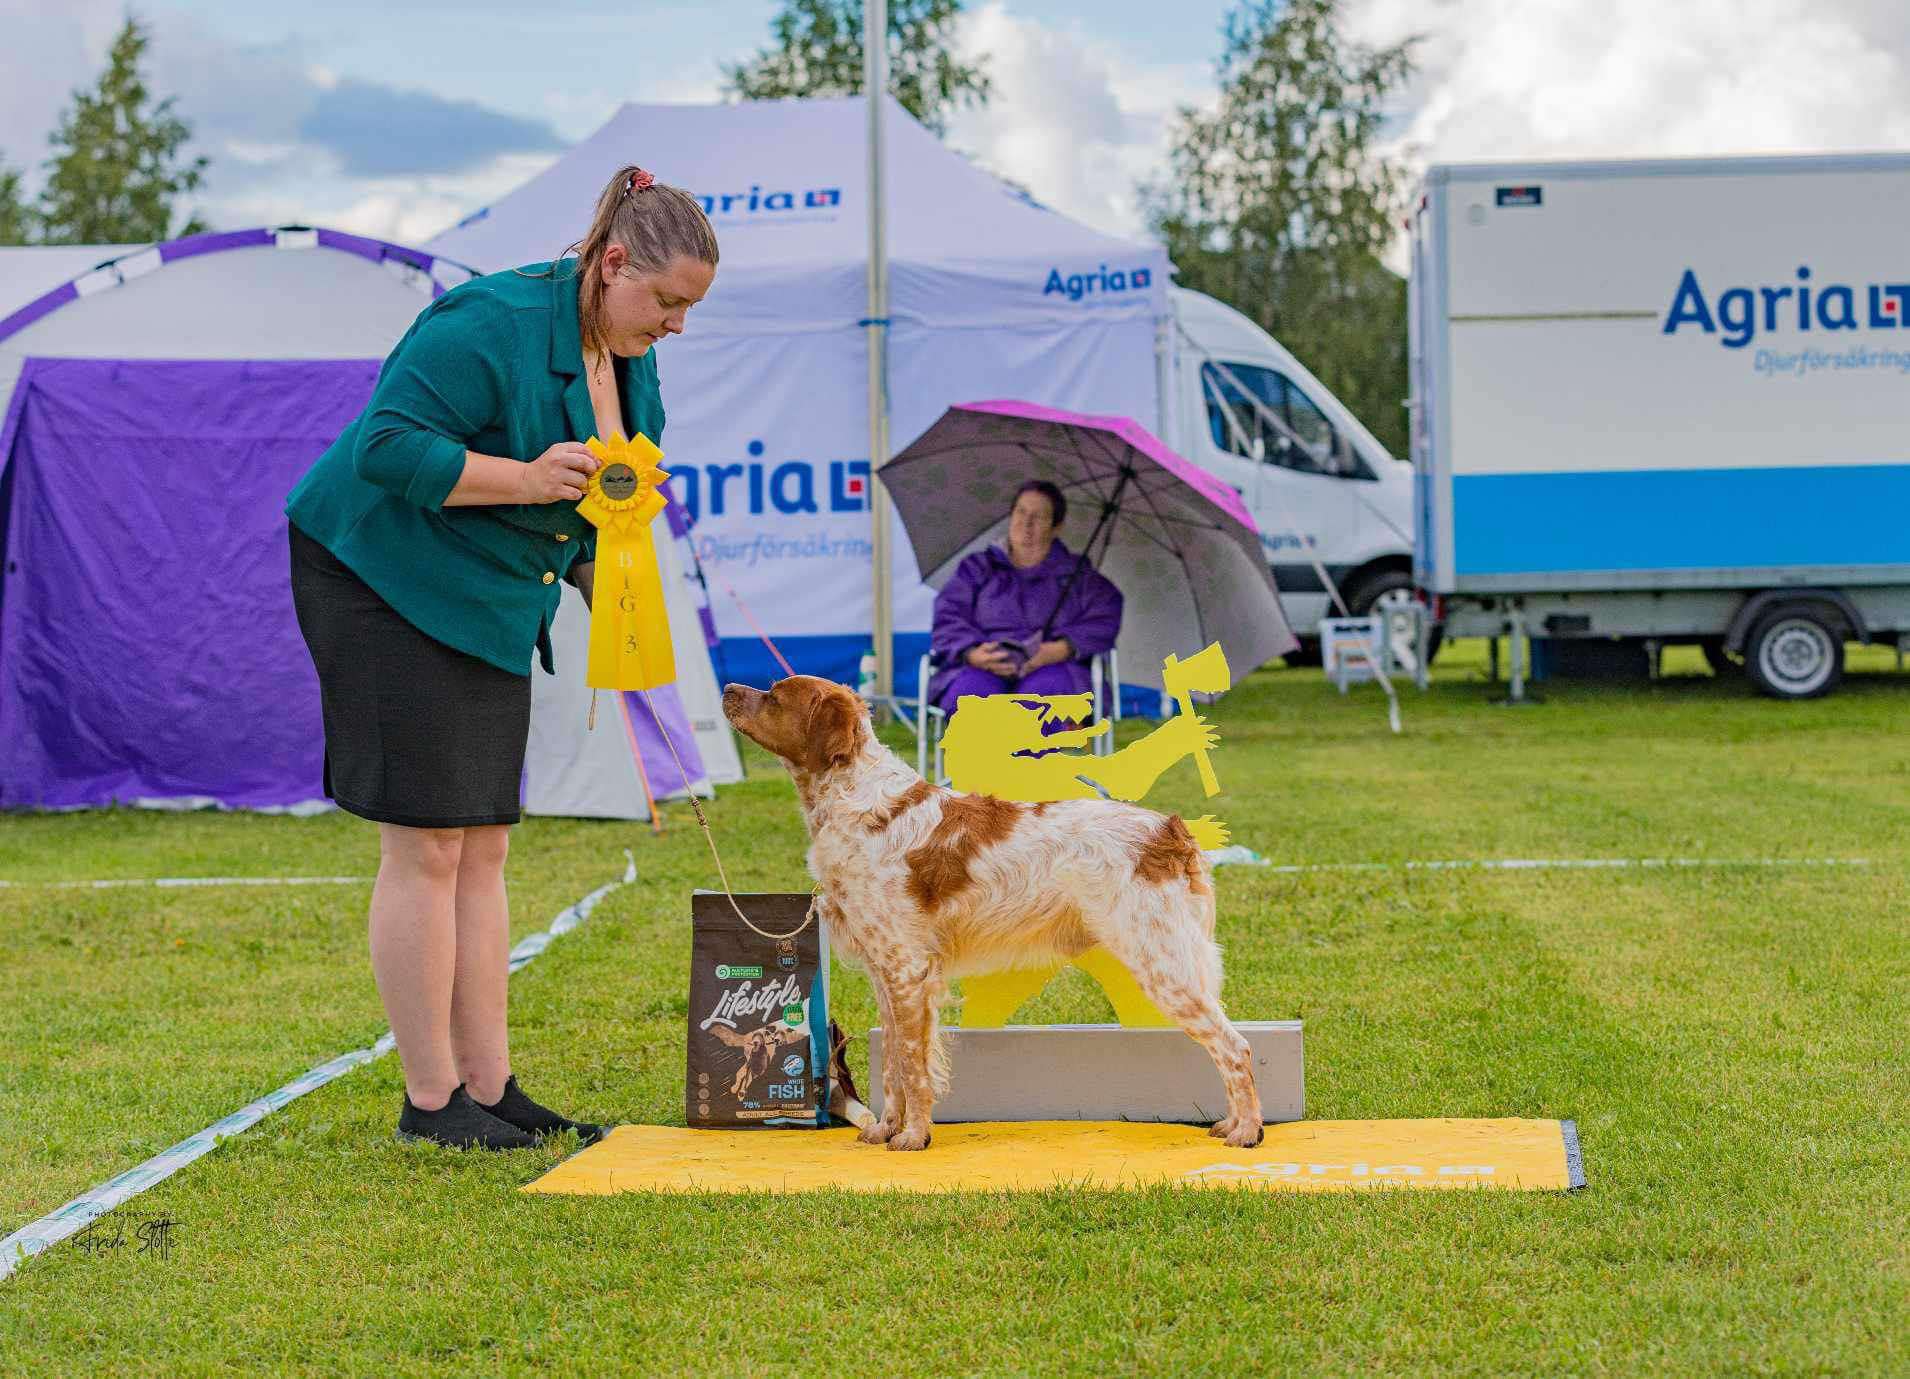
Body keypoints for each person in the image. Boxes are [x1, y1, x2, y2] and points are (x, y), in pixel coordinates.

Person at [284, 166, 717, 1150]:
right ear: (612, 264)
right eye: (668, 302)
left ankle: (492, 1084)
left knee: (484, 841)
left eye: (690, 309)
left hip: (486, 593)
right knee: (428, 841)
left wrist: (623, 590)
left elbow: (606, 505)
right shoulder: (487, 321)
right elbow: (385, 448)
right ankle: (431, 1099)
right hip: (380, 577)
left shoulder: (629, 359)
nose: (677, 326)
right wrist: (524, 477)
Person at [926, 480, 1123, 717]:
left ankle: (1026, 755)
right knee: (972, 700)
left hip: (1054, 668)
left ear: (1056, 527)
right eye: (1021, 511)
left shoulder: (1078, 575)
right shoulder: (977, 567)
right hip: (981, 665)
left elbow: (1104, 615)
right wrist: (971, 652)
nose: (1026, 523)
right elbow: (948, 614)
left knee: (1040, 705)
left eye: (1039, 516)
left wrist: (1063, 647)